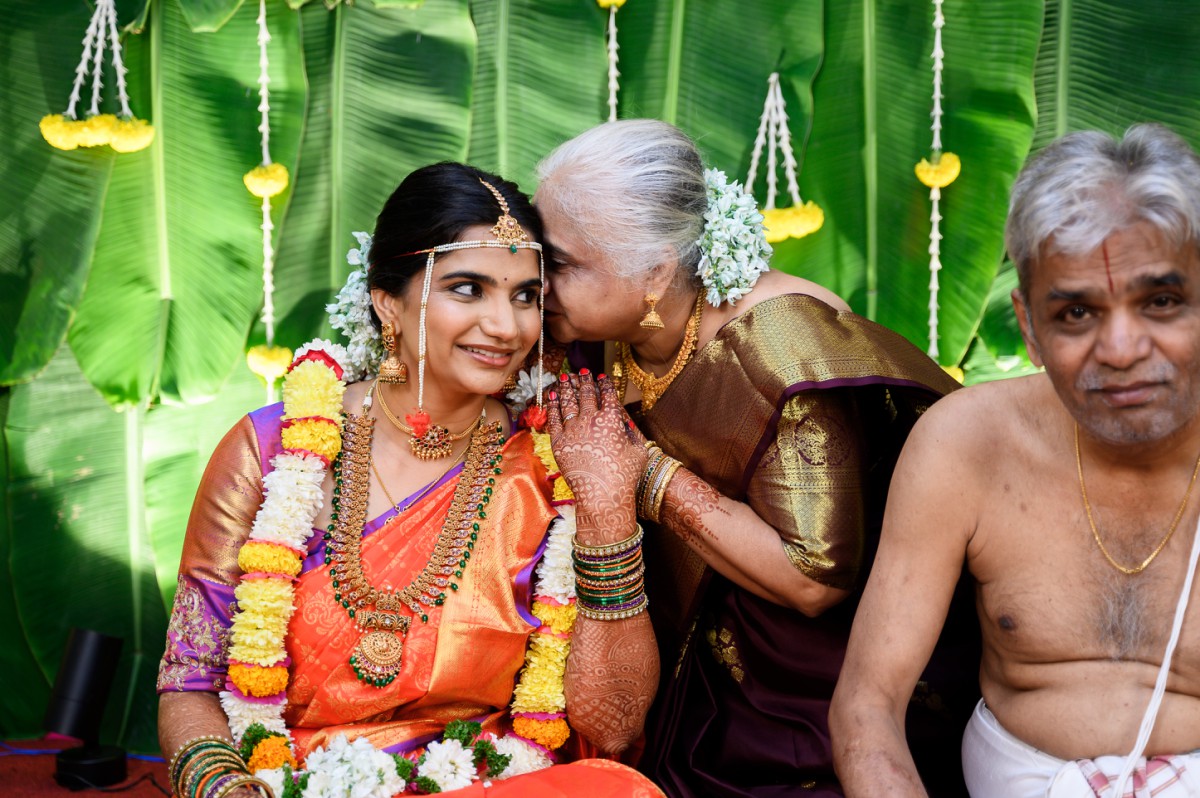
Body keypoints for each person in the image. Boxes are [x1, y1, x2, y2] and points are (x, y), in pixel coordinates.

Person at [156, 163, 662, 798]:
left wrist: (609, 512)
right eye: (468, 288)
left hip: (490, 782)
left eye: (526, 295)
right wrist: (226, 789)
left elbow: (611, 730)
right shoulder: (272, 448)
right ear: (387, 300)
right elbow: (190, 679)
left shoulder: (551, 467)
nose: (506, 326)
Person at [534, 119, 977, 797]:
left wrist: (644, 471)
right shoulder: (600, 331)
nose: (539, 282)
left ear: (653, 270)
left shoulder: (777, 350)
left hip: (798, 696)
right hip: (669, 655)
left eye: (561, 264)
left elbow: (813, 579)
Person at [830, 122, 1200, 797]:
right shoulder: (967, 445)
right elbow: (866, 706)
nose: (1120, 348)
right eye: (1077, 314)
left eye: (1162, 301)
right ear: (1028, 327)